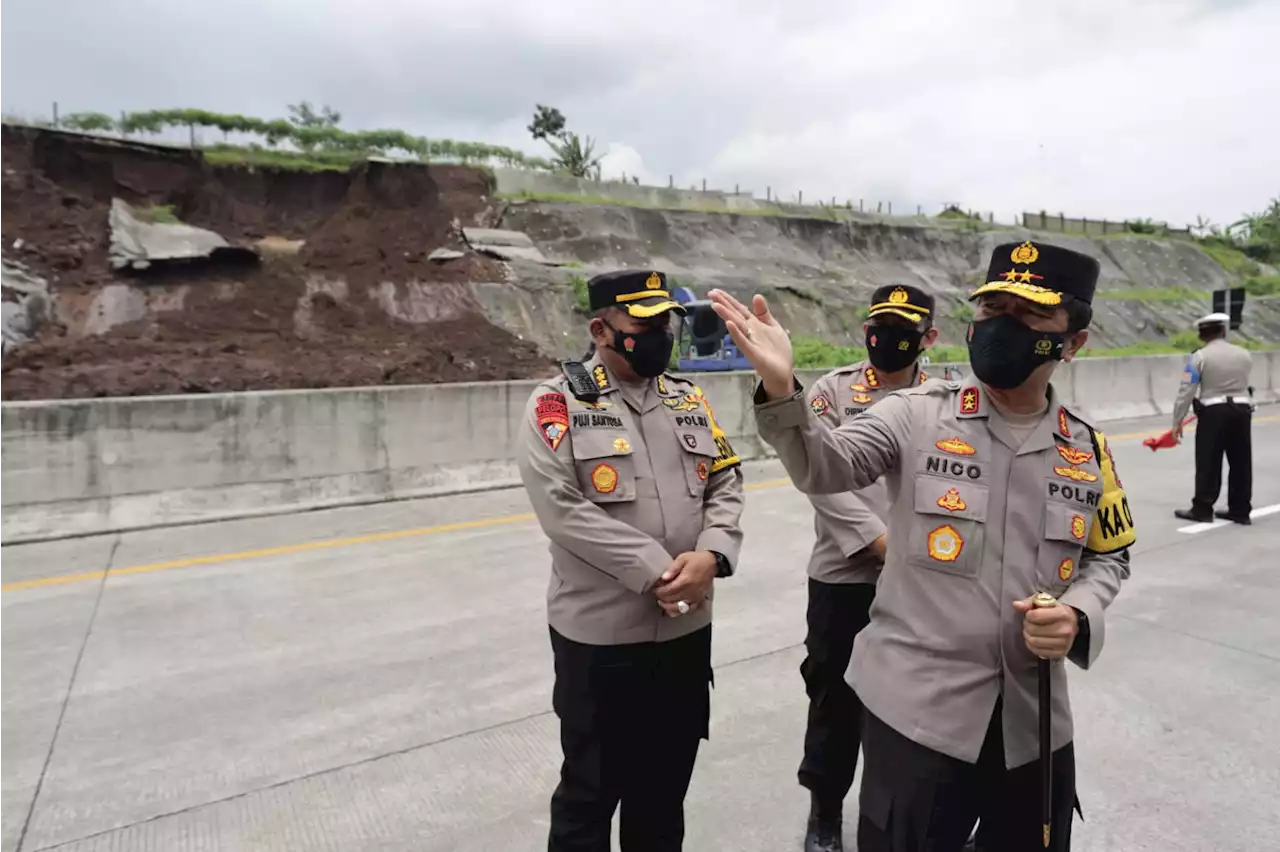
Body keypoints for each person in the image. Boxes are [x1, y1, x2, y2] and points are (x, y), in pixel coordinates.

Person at [709, 239, 1136, 852]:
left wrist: (1079, 612)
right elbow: (827, 467)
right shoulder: (915, 415)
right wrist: (782, 390)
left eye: (1029, 317)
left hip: (1032, 720)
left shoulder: (1086, 449)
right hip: (918, 719)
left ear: (1073, 342)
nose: (1002, 329)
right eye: (993, 312)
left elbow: (1109, 554)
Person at [518, 268, 745, 852]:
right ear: (600, 329)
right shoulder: (555, 404)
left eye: (665, 323)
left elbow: (726, 480)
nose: (661, 335)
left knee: (663, 797)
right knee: (589, 797)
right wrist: (660, 569)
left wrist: (713, 553)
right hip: (601, 643)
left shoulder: (688, 398)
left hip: (685, 637)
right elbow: (561, 509)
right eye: (644, 326)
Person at [798, 284, 939, 852]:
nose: (889, 337)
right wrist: (878, 541)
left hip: (922, 581)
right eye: (881, 324)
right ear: (865, 330)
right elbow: (819, 477)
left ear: (928, 337)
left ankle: (900, 818)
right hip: (844, 575)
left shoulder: (949, 398)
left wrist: (911, 552)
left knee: (914, 706)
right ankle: (824, 816)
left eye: (905, 328)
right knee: (833, 700)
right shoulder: (831, 391)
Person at [1171, 311, 1254, 525]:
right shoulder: (1244, 354)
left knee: (1208, 461)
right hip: (1242, 411)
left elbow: (1186, 391)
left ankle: (1203, 508)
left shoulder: (1198, 357)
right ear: (1223, 331)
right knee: (1241, 462)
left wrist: (1177, 421)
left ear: (1202, 335)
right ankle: (1240, 510)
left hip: (1214, 412)